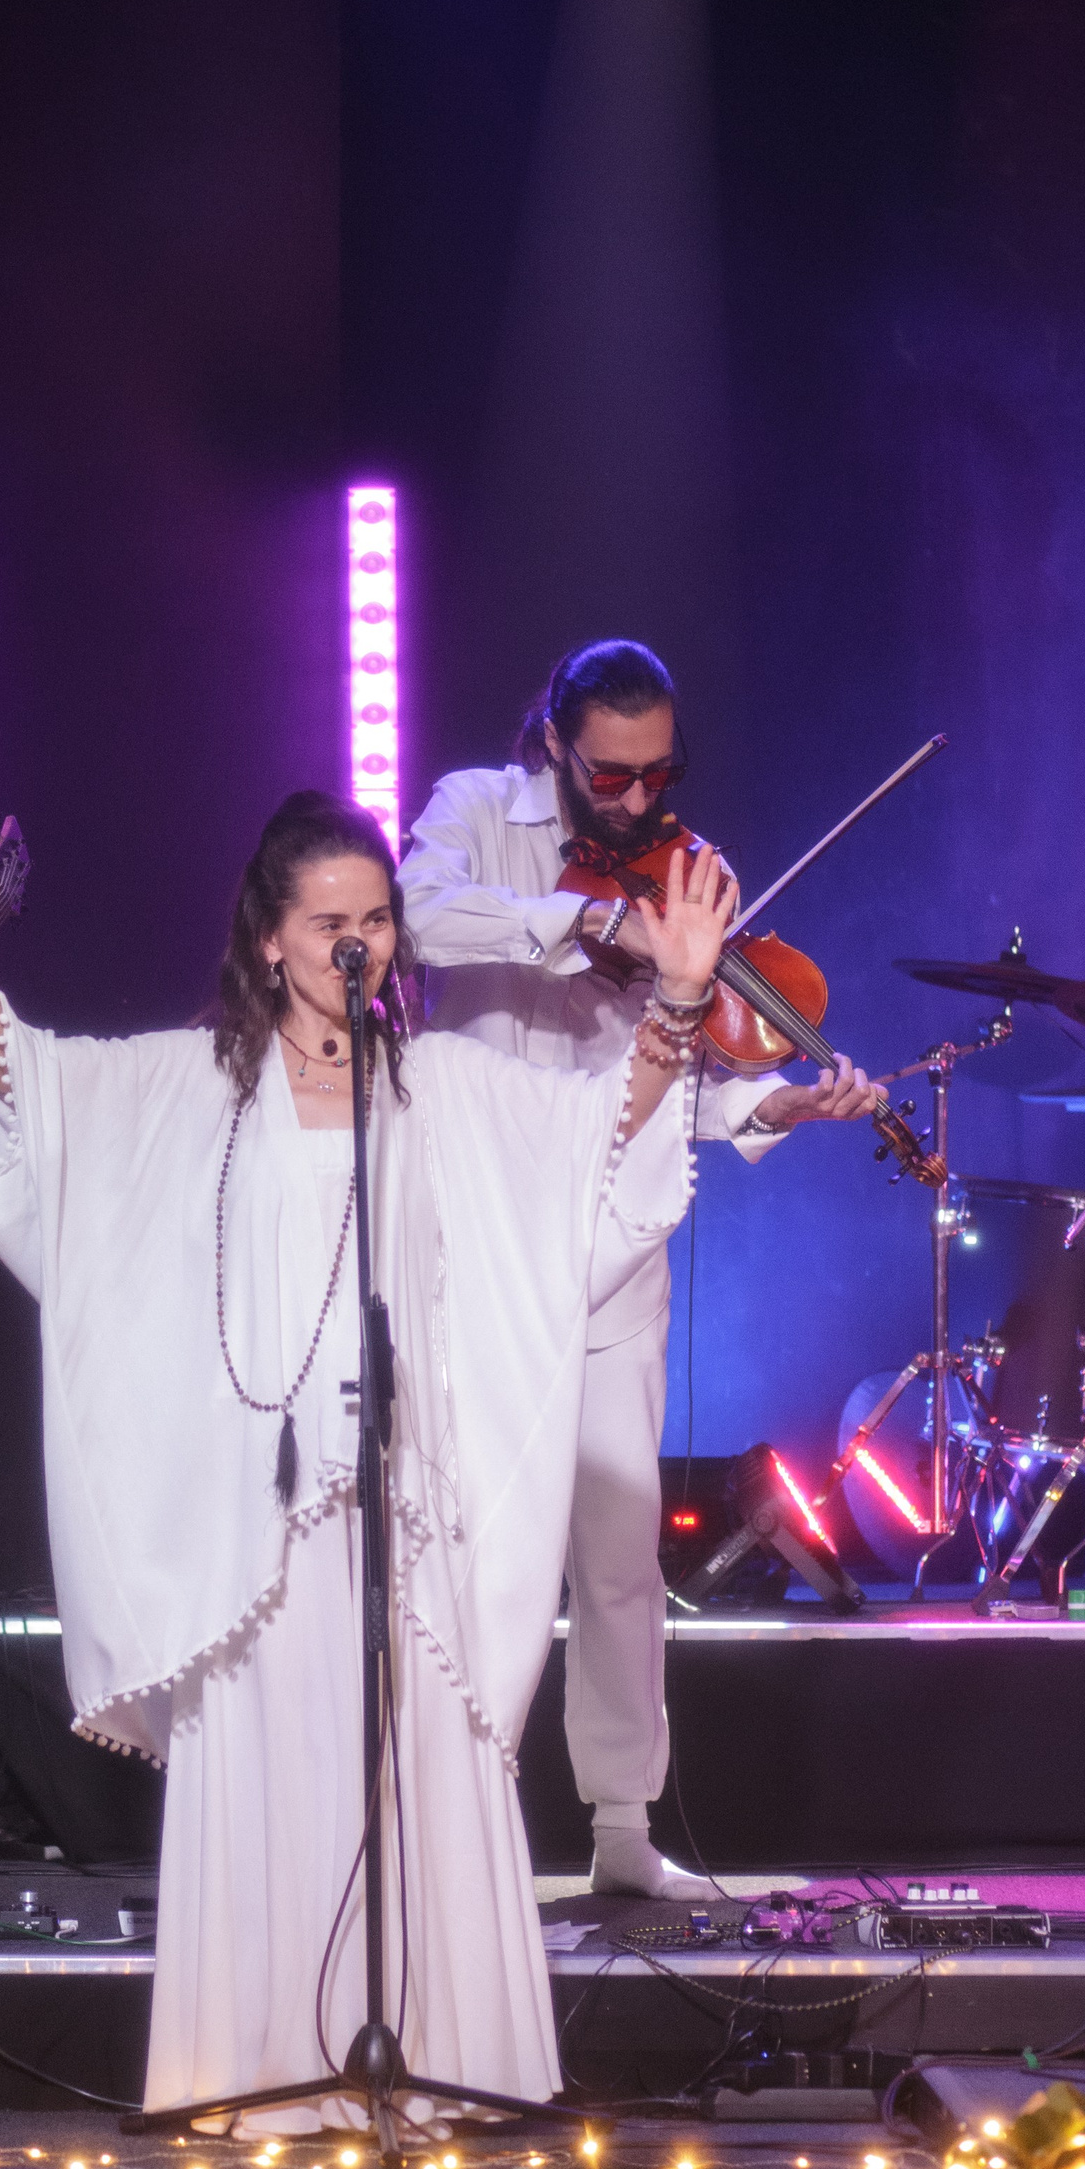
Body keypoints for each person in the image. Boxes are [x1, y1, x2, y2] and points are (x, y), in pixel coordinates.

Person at [0, 788, 732, 2126]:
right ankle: (266, 2064)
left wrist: (681, 1001)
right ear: (271, 937)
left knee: (415, 1769)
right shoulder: (196, 1086)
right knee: (276, 1777)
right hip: (261, 1529)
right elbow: (38, 1093)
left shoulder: (441, 1087)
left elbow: (599, 1140)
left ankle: (438, 2054)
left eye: (379, 919)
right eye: (330, 920)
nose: (361, 941)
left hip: (406, 1518)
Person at [398, 639, 880, 1898]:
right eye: (609, 775)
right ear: (555, 743)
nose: (634, 801)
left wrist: (778, 1106)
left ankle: (622, 1830)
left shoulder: (690, 870)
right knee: (472, 1543)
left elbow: (694, 1091)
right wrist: (588, 919)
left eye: (657, 774)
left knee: (618, 1558)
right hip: (480, 1245)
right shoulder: (474, 811)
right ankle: (457, 1822)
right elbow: (419, 919)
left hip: (613, 1250)